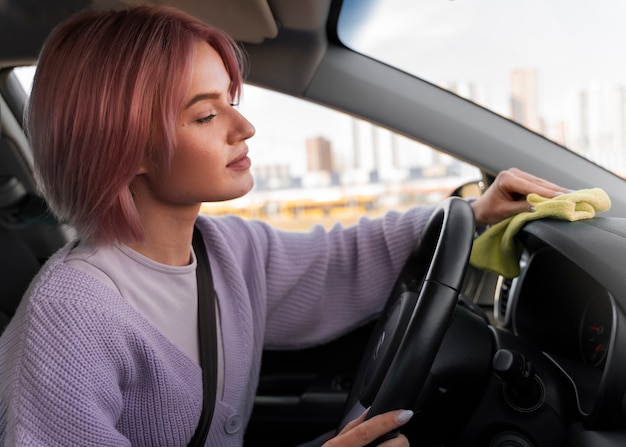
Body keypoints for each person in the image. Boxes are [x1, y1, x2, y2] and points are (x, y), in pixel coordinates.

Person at [0, 5, 568, 447]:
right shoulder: (71, 317)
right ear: (122, 146)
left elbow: (343, 261)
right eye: (206, 113)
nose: (243, 126)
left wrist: (472, 211)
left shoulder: (227, 251)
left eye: (231, 100)